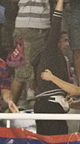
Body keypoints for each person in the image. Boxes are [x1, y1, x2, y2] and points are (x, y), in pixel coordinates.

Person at [31, 0, 70, 135]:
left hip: (49, 104)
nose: (68, 44)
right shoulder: (50, 51)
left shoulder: (59, 59)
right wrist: (60, 3)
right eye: (65, 40)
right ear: (56, 41)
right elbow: (56, 26)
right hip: (49, 105)